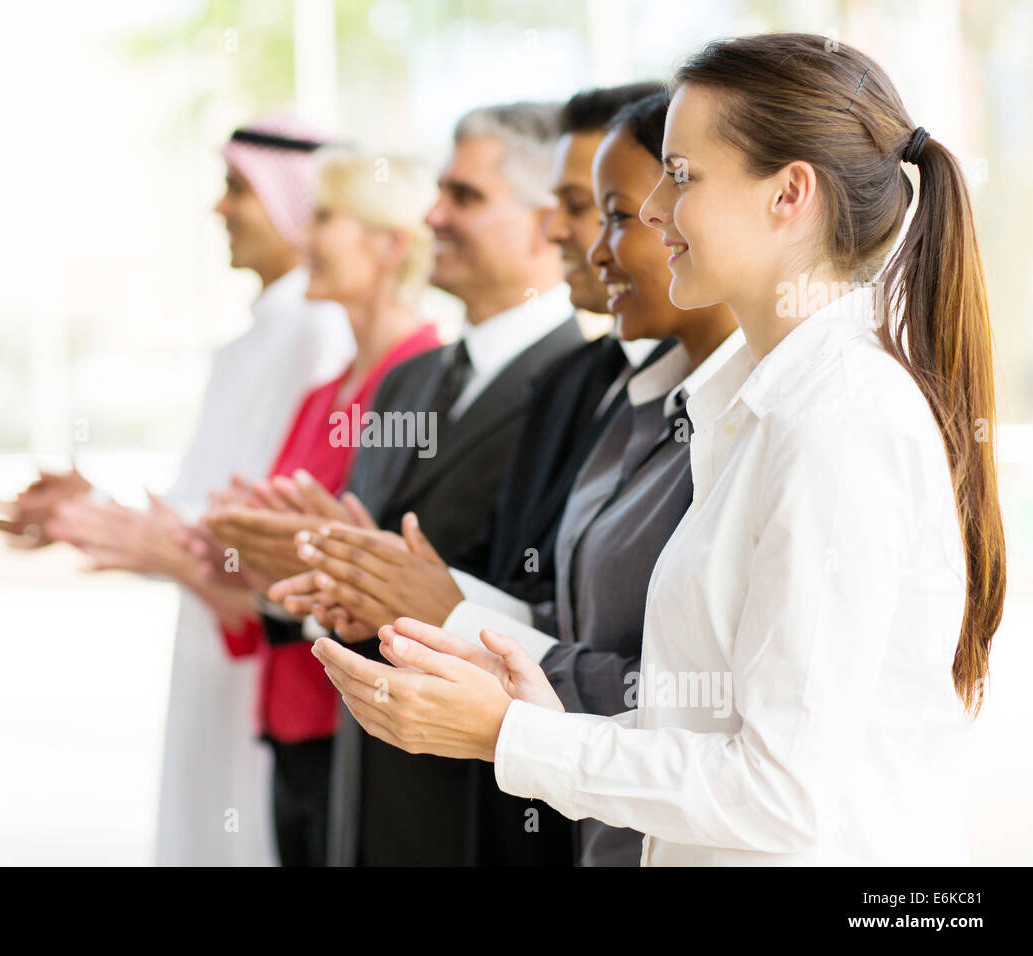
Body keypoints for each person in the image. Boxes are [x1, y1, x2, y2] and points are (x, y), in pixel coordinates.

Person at [315, 32, 1006, 865]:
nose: (650, 212)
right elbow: (715, 724)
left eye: (681, 177)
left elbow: (779, 795)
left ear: (790, 194)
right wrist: (524, 703)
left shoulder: (836, 422)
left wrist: (513, 737)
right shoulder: (769, 405)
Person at [282, 90, 741, 865]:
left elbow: (709, 716)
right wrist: (360, 577)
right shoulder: (605, 389)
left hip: (563, 810)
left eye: (611, 213)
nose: (586, 239)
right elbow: (544, 596)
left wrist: (453, 615)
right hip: (484, 794)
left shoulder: (756, 416)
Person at [0, 116, 355, 866]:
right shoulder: (253, 340)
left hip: (269, 643)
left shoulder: (322, 333)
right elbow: (209, 502)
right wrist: (92, 506)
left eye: (237, 190)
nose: (220, 210)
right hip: (213, 633)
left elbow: (266, 524)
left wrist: (112, 520)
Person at [197, 149, 441, 866]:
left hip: (357, 721)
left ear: (390, 244)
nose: (304, 240)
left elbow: (406, 563)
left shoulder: (425, 375)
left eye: (325, 219)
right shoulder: (324, 391)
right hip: (290, 715)